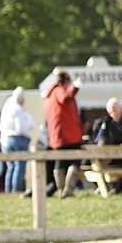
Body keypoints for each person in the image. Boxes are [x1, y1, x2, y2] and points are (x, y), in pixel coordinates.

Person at [43, 69, 84, 198]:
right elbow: (65, 98)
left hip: (56, 137)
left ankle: (61, 191)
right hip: (69, 135)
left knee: (60, 162)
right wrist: (75, 87)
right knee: (75, 162)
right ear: (66, 81)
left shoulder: (49, 95)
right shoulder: (60, 91)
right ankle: (67, 191)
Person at [0, 87, 35, 193]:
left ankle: (8, 190)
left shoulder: (6, 107)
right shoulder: (17, 109)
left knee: (11, 166)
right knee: (20, 165)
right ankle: (16, 189)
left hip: (5, 140)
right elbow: (20, 128)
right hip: (17, 139)